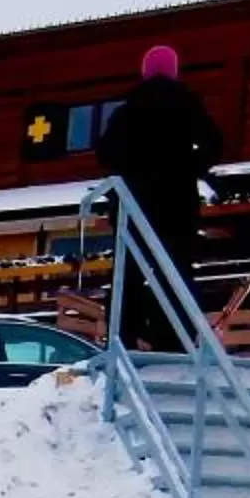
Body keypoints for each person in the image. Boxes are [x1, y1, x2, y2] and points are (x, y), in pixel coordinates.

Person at [95, 44, 224, 350]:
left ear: (145, 71)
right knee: (176, 268)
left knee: (128, 271)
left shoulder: (128, 110)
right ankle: (174, 338)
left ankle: (123, 338)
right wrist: (190, 167)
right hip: (176, 201)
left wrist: (130, 169)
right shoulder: (187, 105)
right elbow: (215, 144)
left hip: (134, 202)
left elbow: (105, 153)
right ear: (174, 71)